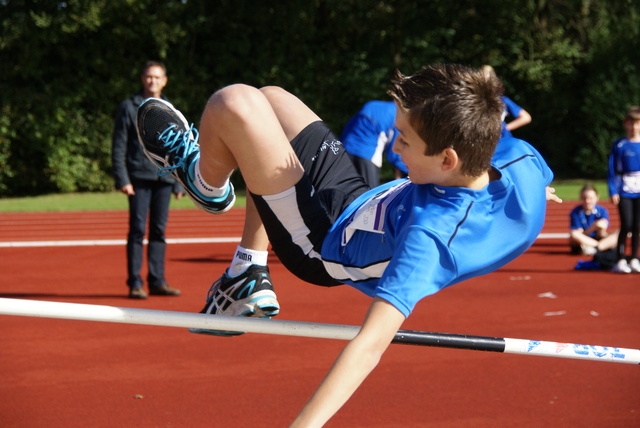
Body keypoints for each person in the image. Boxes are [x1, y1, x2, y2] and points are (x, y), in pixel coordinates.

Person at [136, 63, 558, 426]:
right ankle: (247, 270)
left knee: (236, 103)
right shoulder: (520, 160)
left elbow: (369, 346)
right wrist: (543, 191)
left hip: (321, 245)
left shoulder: (431, 237)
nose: (394, 148)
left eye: (405, 140)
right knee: (272, 99)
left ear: (448, 160)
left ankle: (206, 183)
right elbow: (536, 176)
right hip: (356, 200)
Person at [112, 61, 184, 299]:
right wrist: (123, 178)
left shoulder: (168, 108)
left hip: (164, 178)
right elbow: (119, 143)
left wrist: (178, 181)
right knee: (136, 230)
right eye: (149, 77)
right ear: (142, 79)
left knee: (159, 231)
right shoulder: (128, 106)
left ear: (164, 81)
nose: (153, 81)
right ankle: (135, 282)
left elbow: (177, 147)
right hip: (138, 177)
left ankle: (157, 281)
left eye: (157, 77)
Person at [340, 100, 408, 187]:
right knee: (367, 194)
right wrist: (406, 170)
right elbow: (395, 151)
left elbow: (349, 127)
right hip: (369, 155)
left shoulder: (371, 105)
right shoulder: (397, 115)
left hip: (346, 150)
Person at [607, 106, 640, 273]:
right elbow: (611, 169)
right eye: (631, 123)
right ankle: (620, 260)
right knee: (626, 224)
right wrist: (613, 190)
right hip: (625, 189)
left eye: (637, 123)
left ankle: (634, 258)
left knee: (637, 226)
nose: (634, 127)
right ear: (625, 124)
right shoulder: (620, 144)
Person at [481, 65, 532, 138]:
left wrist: (505, 128)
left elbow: (526, 117)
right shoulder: (473, 102)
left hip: (502, 141)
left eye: (488, 82)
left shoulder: (502, 100)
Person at [569, 184, 618, 255]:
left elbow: (601, 234)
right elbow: (580, 234)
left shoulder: (602, 211)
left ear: (596, 198)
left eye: (590, 198)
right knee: (573, 234)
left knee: (618, 233)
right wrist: (593, 227)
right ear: (581, 198)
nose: (587, 201)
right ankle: (602, 247)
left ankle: (595, 249)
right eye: (584, 198)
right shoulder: (576, 212)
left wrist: (601, 228)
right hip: (584, 240)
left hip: (597, 238)